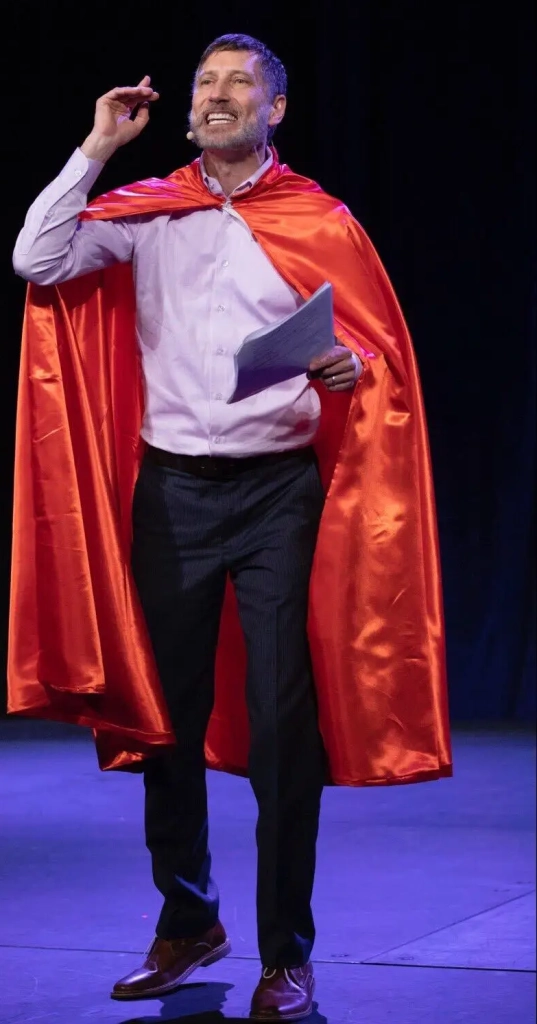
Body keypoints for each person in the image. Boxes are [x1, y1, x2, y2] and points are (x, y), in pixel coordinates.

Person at [11, 33, 451, 1021]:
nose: (218, 95)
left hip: (277, 494)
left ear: (274, 109)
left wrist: (344, 366)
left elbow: (372, 354)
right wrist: (96, 147)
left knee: (283, 726)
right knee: (164, 717)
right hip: (171, 493)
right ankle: (187, 921)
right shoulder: (148, 212)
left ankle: (286, 953)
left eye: (238, 83)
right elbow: (35, 256)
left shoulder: (318, 219)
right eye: (205, 82)